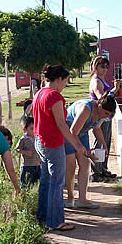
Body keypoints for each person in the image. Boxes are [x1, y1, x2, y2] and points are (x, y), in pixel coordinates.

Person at [33, 64, 90, 231]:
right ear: (58, 79)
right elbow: (61, 124)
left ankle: (43, 217)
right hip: (52, 143)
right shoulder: (54, 96)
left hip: (40, 141)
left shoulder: (39, 93)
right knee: (57, 182)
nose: (65, 85)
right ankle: (56, 221)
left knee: (46, 180)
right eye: (65, 81)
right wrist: (77, 144)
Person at [65, 93, 117, 209]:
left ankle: (82, 199)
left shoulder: (102, 115)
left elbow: (97, 129)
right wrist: (84, 150)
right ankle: (70, 198)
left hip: (81, 133)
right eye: (106, 113)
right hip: (69, 132)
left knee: (85, 163)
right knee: (71, 163)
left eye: (109, 115)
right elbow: (73, 132)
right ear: (99, 106)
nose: (106, 116)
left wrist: (103, 144)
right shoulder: (86, 109)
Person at [89, 55, 121, 182]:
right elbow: (102, 98)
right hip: (99, 115)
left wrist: (115, 89)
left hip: (105, 116)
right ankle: (95, 172)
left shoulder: (102, 80)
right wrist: (114, 90)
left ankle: (102, 169)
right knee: (100, 143)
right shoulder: (96, 81)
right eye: (102, 66)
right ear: (95, 66)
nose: (105, 69)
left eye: (107, 66)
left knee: (105, 142)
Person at [16, 116, 41, 187]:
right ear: (24, 129)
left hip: (37, 165)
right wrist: (25, 152)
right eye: (32, 129)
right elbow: (17, 149)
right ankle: (24, 196)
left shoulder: (37, 138)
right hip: (27, 166)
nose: (34, 131)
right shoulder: (23, 139)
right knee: (26, 184)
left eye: (35, 128)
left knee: (37, 183)